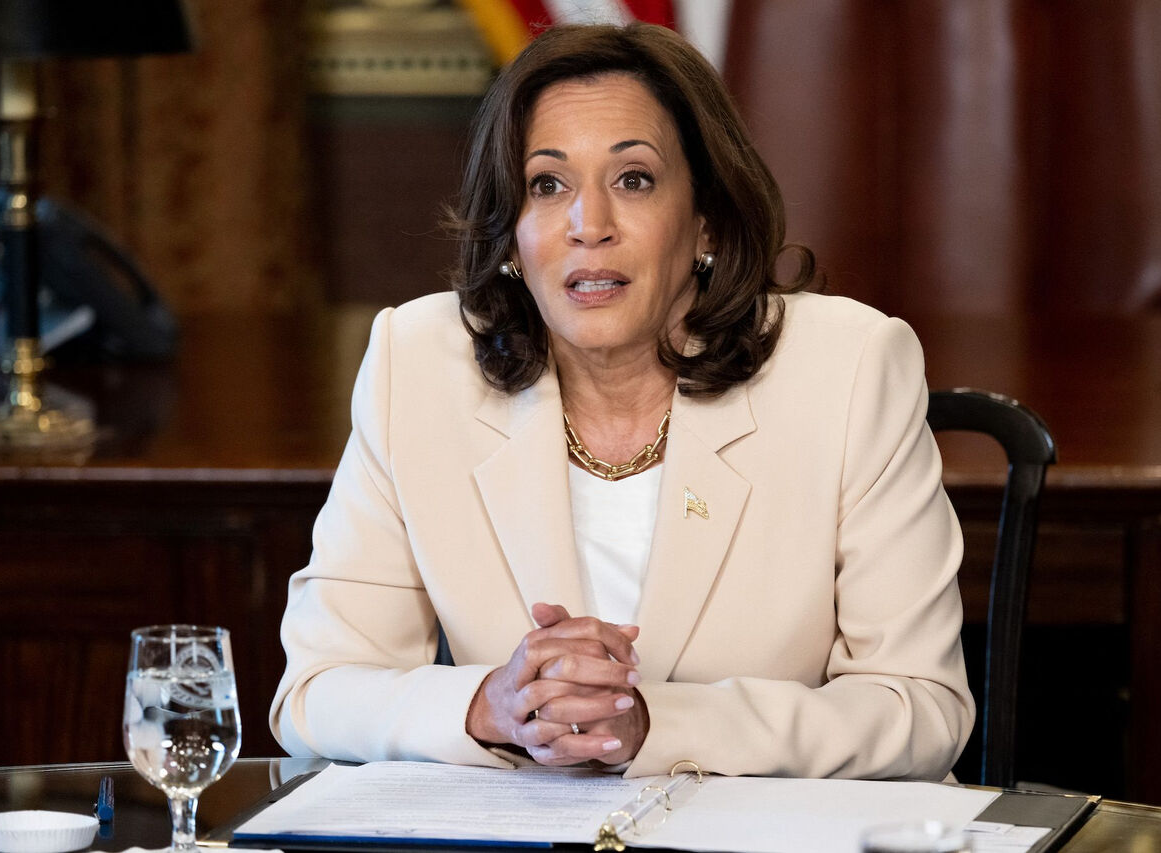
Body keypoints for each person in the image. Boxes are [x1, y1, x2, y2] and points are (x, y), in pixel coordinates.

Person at [270, 22, 974, 780]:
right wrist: (491, 705)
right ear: (510, 235)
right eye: (547, 185)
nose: (589, 227)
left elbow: (921, 707)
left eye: (634, 179)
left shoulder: (849, 367)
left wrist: (655, 725)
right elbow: (317, 691)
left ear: (705, 219)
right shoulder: (415, 363)